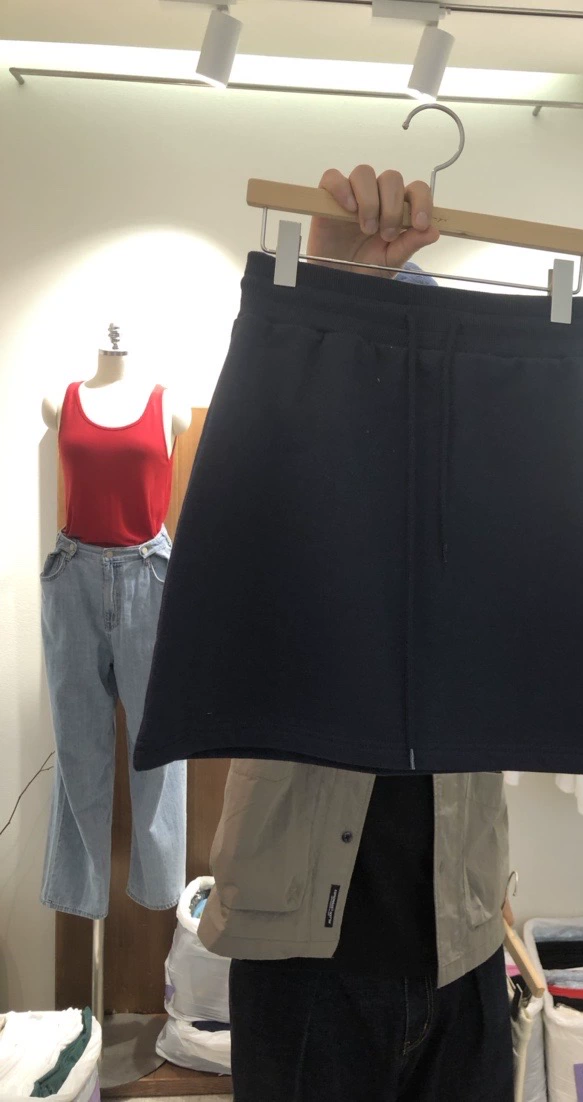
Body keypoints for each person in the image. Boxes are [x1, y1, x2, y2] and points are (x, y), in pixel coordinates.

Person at [197, 166, 515, 1102]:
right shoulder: (288, 479)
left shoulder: (484, 494)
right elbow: (252, 488)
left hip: (464, 943)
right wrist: (328, 284)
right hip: (304, 954)